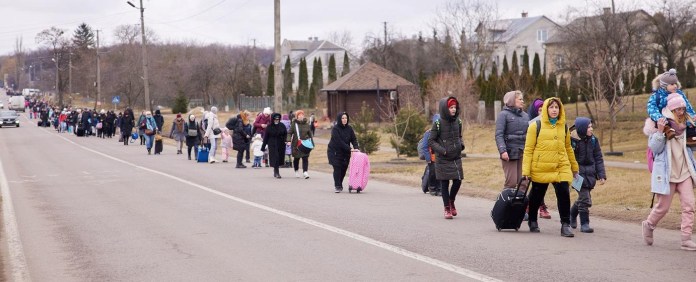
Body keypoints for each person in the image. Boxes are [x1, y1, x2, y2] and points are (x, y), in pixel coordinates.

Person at [642, 93, 696, 251]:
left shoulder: (687, 124)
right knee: (663, 207)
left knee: (689, 205)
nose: (681, 111)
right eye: (678, 109)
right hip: (668, 173)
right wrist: (659, 132)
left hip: (684, 171)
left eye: (683, 108)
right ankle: (649, 224)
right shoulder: (660, 124)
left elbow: (692, 146)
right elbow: (655, 148)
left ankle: (686, 239)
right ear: (671, 110)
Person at [522, 97, 579, 237]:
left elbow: (568, 147)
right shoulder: (535, 126)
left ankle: (565, 225)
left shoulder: (564, 126)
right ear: (546, 109)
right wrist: (526, 171)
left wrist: (574, 166)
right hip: (541, 166)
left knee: (564, 193)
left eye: (557, 107)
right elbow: (528, 149)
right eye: (551, 107)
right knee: (536, 195)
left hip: (561, 166)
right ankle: (533, 220)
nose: (554, 110)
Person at [428, 96, 465, 219]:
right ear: (445, 108)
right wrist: (443, 151)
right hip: (443, 158)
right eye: (451, 107)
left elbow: (459, 136)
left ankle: (451, 200)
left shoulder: (458, 122)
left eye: (455, 107)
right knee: (444, 184)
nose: (453, 109)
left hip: (456, 157)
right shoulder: (438, 124)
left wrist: (461, 144)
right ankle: (447, 208)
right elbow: (431, 141)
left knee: (458, 180)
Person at [569, 117, 607, 233]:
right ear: (582, 129)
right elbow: (569, 158)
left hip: (590, 173)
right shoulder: (573, 141)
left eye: (591, 126)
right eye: (589, 127)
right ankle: (585, 223)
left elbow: (598, 158)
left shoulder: (593, 140)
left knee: (583, 198)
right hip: (577, 174)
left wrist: (601, 174)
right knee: (585, 199)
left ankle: (572, 214)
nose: (591, 129)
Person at [495, 90, 529, 189]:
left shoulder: (526, 116)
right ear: (512, 100)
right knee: (511, 182)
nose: (523, 101)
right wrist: (503, 151)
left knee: (523, 182)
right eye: (520, 99)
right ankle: (505, 203)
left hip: (523, 152)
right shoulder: (503, 115)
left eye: (523, 99)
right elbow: (499, 134)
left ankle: (520, 204)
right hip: (509, 153)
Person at [527, 98, 552, 220]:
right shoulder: (531, 124)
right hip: (533, 158)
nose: (541, 113)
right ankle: (539, 207)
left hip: (546, 158)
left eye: (543, 110)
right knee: (537, 184)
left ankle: (536, 206)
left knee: (540, 184)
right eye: (539, 110)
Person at [418, 114, 441, 196]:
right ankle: (432, 188)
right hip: (431, 158)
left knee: (440, 173)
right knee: (433, 173)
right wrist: (428, 159)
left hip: (441, 157)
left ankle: (439, 189)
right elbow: (425, 147)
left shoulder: (443, 133)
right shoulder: (428, 133)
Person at [288, 110, 313, 179]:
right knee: (296, 158)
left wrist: (312, 144)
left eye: (302, 114)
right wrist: (288, 140)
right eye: (299, 115)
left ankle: (305, 172)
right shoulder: (294, 124)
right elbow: (289, 133)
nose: (301, 116)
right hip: (296, 144)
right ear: (297, 116)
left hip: (305, 144)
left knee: (305, 158)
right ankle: (296, 170)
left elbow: (310, 134)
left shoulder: (306, 124)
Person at [261, 113, 288, 178]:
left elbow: (285, 134)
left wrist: (286, 141)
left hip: (281, 144)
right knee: (275, 157)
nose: (276, 120)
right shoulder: (269, 126)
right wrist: (263, 146)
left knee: (279, 157)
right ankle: (277, 172)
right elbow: (266, 137)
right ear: (272, 119)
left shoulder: (282, 125)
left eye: (278, 119)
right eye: (275, 119)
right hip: (272, 144)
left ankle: (276, 170)